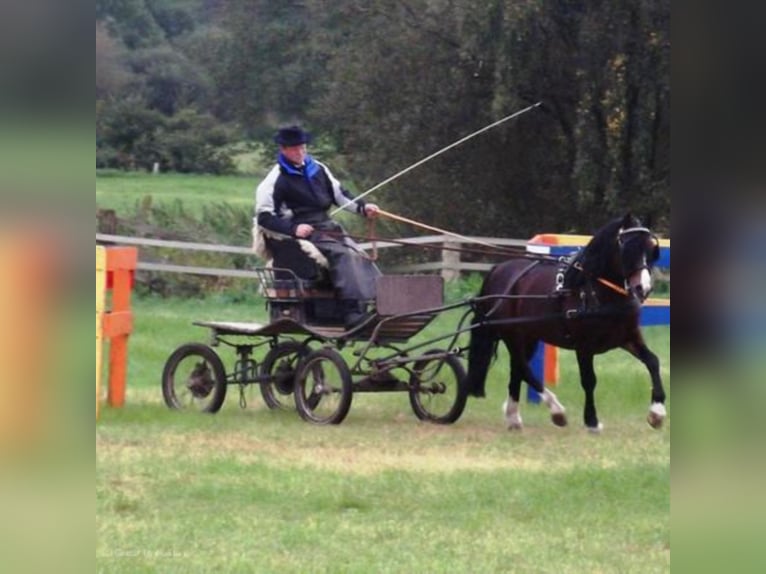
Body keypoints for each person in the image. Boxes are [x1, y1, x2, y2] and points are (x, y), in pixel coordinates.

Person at [254, 125, 382, 329]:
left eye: (302, 147)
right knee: (344, 255)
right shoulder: (274, 180)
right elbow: (264, 217)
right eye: (295, 149)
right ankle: (352, 313)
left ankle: (376, 306)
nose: (300, 152)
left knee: (360, 254)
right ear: (283, 149)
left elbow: (340, 195)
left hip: (327, 225)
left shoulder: (318, 168)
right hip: (303, 230)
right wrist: (294, 229)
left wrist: (363, 207)